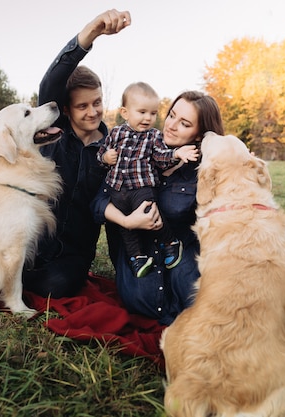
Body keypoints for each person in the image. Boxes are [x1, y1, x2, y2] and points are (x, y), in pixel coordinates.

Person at [22, 9, 131, 298]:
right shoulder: (54, 133)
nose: (93, 111)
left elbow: (117, 208)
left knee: (58, 286)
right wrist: (91, 32)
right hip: (34, 241)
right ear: (67, 109)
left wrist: (126, 273)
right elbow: (50, 83)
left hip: (74, 255)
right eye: (83, 106)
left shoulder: (114, 146)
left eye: (97, 102)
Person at [92, 91, 225, 325]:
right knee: (143, 299)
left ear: (199, 136)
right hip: (139, 263)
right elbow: (97, 204)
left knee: (201, 309)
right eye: (171, 115)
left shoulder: (205, 171)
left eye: (184, 124)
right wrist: (127, 221)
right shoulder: (133, 150)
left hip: (181, 261)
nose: (171, 126)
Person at [97, 82, 199, 278]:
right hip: (117, 188)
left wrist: (176, 153)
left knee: (149, 213)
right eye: (142, 112)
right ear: (125, 113)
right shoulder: (115, 133)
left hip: (142, 186)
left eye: (153, 113)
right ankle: (137, 258)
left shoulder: (154, 137)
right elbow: (101, 155)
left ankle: (169, 242)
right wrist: (105, 158)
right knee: (125, 226)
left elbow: (161, 156)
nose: (148, 118)